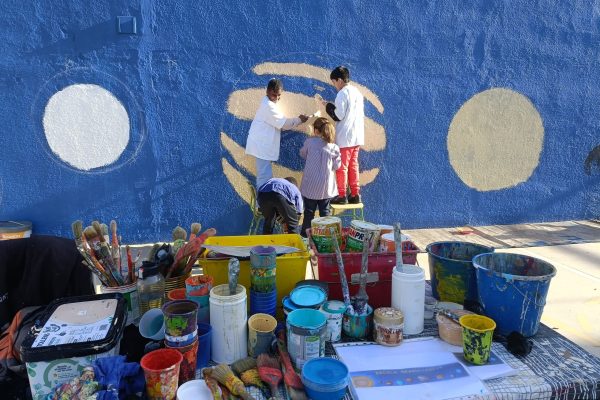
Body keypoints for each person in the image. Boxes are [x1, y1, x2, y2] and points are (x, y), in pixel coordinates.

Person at [245, 78, 309, 188]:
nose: (277, 98)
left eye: (279, 95)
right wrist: (299, 120)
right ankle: (261, 203)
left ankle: (261, 202)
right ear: (268, 91)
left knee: (264, 176)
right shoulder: (268, 106)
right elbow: (283, 124)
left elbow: (280, 123)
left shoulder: (270, 104)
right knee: (264, 176)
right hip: (261, 145)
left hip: (261, 145)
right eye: (274, 95)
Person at [322, 66, 365, 204]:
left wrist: (328, 106)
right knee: (353, 165)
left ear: (339, 80)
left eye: (334, 82)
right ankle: (355, 194)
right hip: (357, 136)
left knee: (342, 167)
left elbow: (338, 115)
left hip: (345, 137)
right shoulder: (357, 92)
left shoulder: (342, 93)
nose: (334, 86)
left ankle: (342, 196)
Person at [299, 118, 341, 237]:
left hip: (310, 184)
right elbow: (337, 166)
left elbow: (303, 154)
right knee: (325, 213)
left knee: (309, 213)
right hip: (326, 187)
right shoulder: (334, 147)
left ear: (316, 130)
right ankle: (326, 237)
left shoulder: (309, 142)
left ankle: (305, 237)